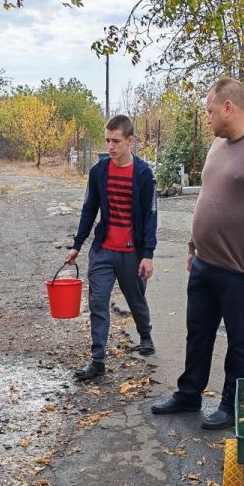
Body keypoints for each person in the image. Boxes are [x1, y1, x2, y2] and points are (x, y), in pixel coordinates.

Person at [151, 77, 244, 429]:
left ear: (228, 107)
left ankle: (234, 404)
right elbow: (207, 200)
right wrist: (192, 246)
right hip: (204, 262)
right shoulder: (218, 145)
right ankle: (189, 394)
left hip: (242, 270)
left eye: (210, 110)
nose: (208, 118)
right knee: (197, 332)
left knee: (239, 339)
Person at [66, 115, 158, 380]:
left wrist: (148, 255)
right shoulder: (99, 172)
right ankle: (97, 360)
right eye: (107, 140)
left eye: (116, 141)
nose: (110, 146)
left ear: (131, 141)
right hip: (103, 249)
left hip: (132, 251)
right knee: (97, 302)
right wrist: (77, 245)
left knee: (135, 298)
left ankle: (145, 334)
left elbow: (150, 216)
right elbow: (88, 209)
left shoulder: (143, 173)